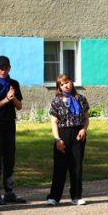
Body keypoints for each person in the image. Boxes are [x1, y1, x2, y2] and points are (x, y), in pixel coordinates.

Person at [0, 55, 26, 206]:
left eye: (6, 68)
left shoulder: (13, 84)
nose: (3, 71)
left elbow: (19, 106)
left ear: (9, 68)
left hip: (9, 125)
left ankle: (9, 192)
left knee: (9, 158)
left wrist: (13, 98)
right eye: (0, 68)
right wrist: (6, 100)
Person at [46, 74, 90, 206]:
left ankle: (76, 196)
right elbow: (54, 122)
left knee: (76, 166)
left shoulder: (81, 99)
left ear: (71, 82)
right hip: (63, 134)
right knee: (60, 167)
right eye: (62, 84)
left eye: (67, 82)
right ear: (59, 87)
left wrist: (84, 129)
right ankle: (54, 197)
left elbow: (86, 118)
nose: (66, 85)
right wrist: (57, 138)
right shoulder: (56, 101)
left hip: (78, 133)